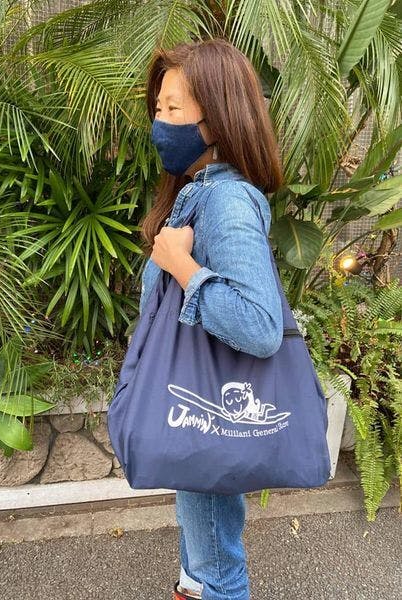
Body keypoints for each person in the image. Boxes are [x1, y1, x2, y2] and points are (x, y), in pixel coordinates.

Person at [138, 38, 284, 600]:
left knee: (218, 569)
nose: (160, 123)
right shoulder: (198, 190)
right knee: (202, 559)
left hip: (207, 413)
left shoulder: (226, 202)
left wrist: (184, 268)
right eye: (158, 108)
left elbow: (260, 325)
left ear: (218, 118)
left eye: (174, 108)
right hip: (195, 406)